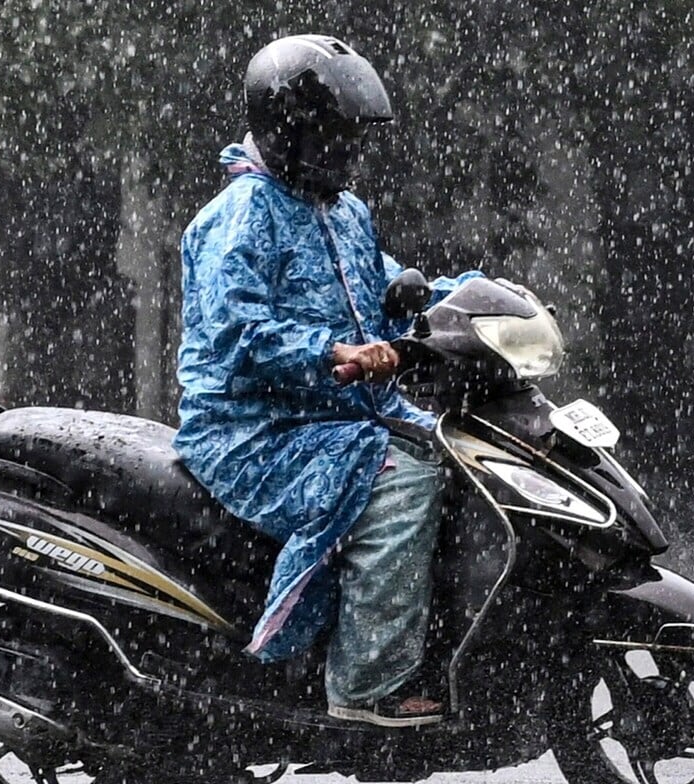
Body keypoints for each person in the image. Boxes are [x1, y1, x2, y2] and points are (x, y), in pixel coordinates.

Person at [174, 34, 480, 727]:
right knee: (404, 478)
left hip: (341, 418)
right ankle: (365, 686)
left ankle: (439, 646)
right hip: (255, 434)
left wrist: (476, 303)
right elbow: (239, 334)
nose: (349, 153)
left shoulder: (343, 211)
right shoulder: (240, 216)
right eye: (335, 137)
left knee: (462, 454)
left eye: (354, 139)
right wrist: (332, 351)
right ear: (286, 130)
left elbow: (390, 287)